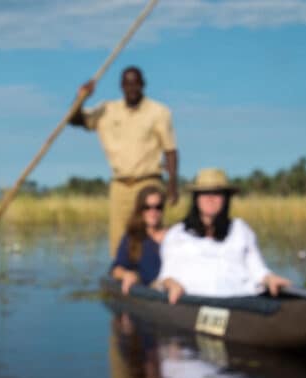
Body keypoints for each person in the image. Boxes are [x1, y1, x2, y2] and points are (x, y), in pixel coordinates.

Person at [70, 66, 180, 257]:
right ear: (121, 86)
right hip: (119, 185)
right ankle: (121, 276)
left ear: (143, 84)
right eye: (127, 83)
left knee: (149, 234)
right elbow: (75, 120)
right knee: (119, 239)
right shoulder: (106, 110)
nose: (131, 88)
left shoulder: (159, 112)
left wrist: (172, 185)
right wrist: (81, 98)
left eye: (135, 83)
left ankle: (152, 275)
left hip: (148, 182)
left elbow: (170, 150)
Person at [158, 168, 291, 304]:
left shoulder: (240, 229)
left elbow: (258, 270)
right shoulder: (177, 233)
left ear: (226, 198)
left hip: (239, 304)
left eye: (216, 193)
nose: (210, 198)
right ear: (196, 198)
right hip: (193, 304)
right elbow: (167, 275)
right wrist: (172, 284)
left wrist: (270, 279)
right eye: (204, 193)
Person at [110, 185, 167, 295]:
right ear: (140, 210)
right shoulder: (132, 238)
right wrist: (126, 275)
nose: (153, 212)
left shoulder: (174, 236)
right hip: (152, 293)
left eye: (158, 207)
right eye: (147, 207)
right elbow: (116, 269)